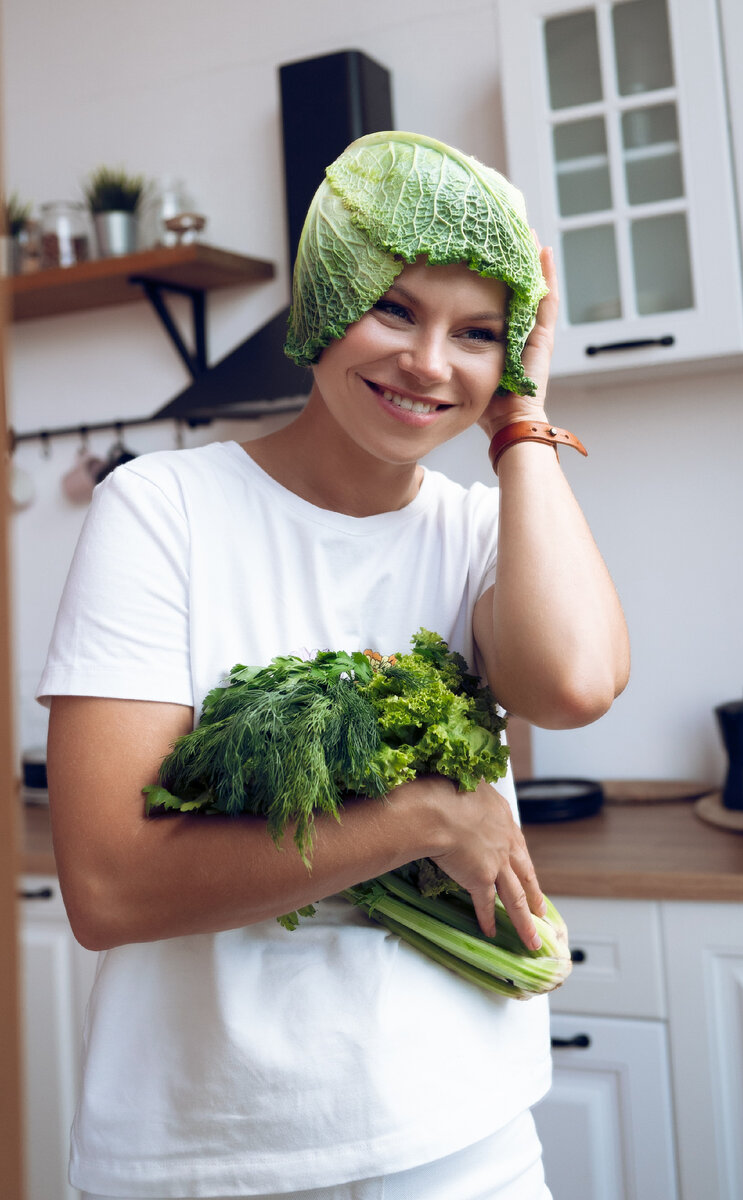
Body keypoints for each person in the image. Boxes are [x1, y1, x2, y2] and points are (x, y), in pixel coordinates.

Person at [39, 131, 630, 1200]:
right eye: (395, 308)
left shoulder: (483, 531)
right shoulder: (162, 510)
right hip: (204, 1155)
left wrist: (524, 417)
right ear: (322, 299)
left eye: (478, 334)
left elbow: (575, 684)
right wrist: (426, 819)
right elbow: (107, 887)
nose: (429, 363)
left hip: (467, 1140)